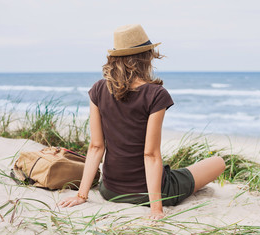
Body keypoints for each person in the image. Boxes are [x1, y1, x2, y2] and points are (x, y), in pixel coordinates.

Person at [57, 24, 226, 220]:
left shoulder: (98, 89)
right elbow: (150, 154)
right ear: (146, 57)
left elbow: (96, 147)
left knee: (171, 169)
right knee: (218, 162)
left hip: (111, 190)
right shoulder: (156, 94)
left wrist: (81, 195)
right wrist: (156, 209)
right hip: (152, 193)